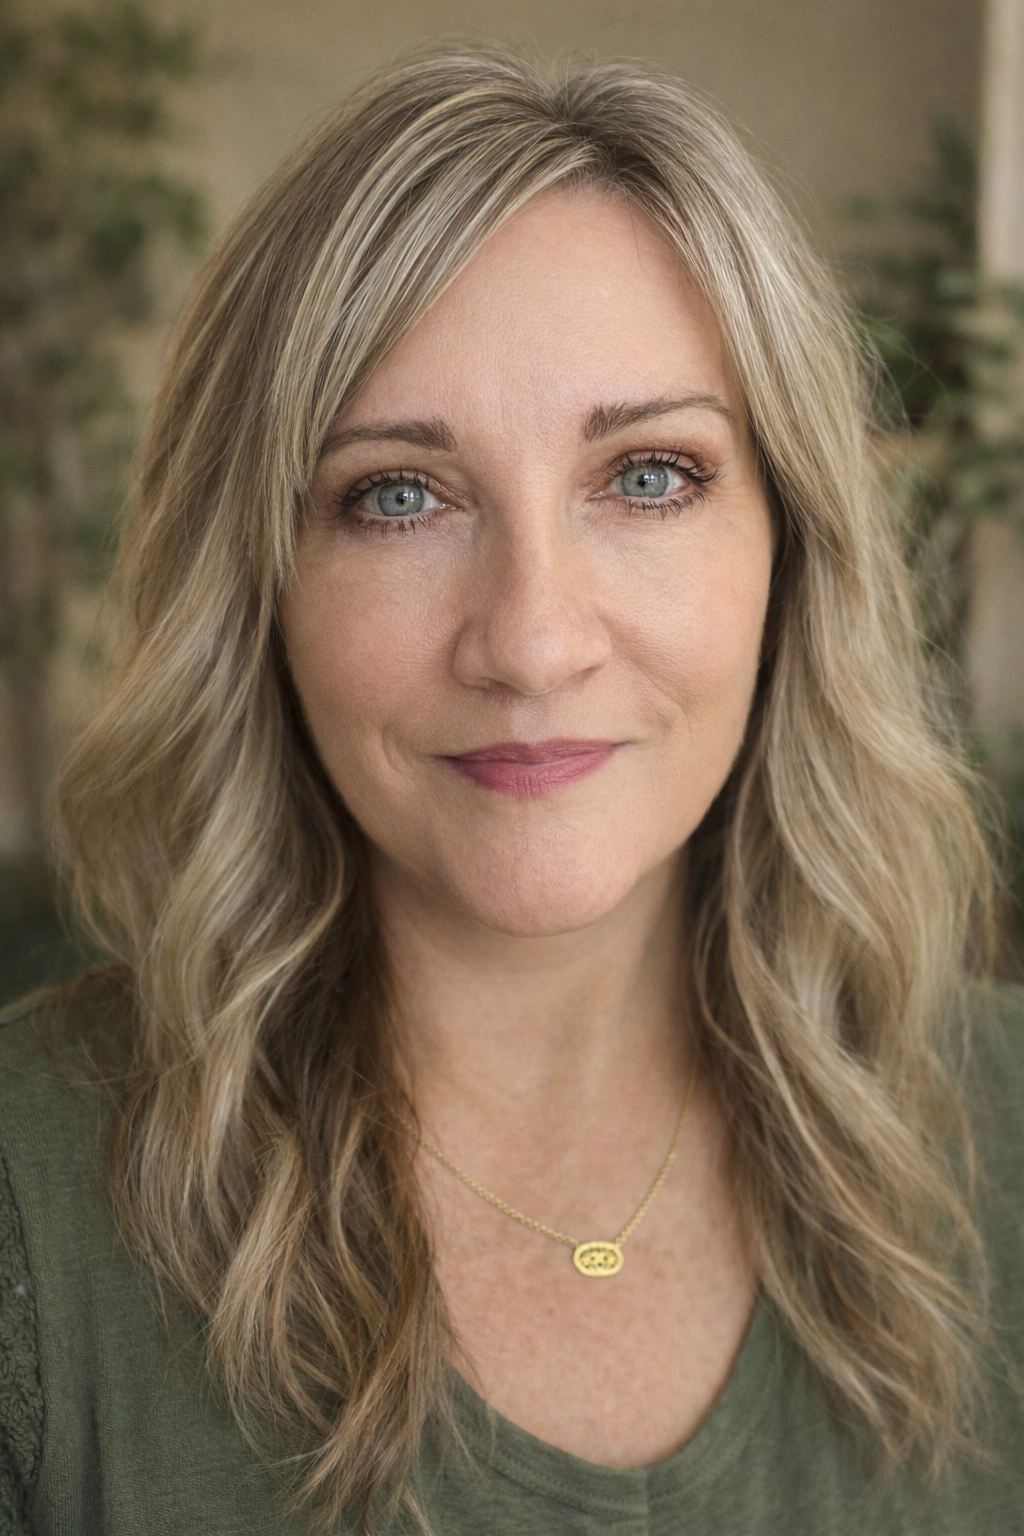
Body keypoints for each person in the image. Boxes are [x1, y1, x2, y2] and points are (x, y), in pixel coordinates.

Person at [0, 46, 1021, 1536]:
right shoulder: (29, 1227)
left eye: (650, 476)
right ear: (258, 583)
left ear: (793, 552)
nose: (534, 642)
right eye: (397, 496)